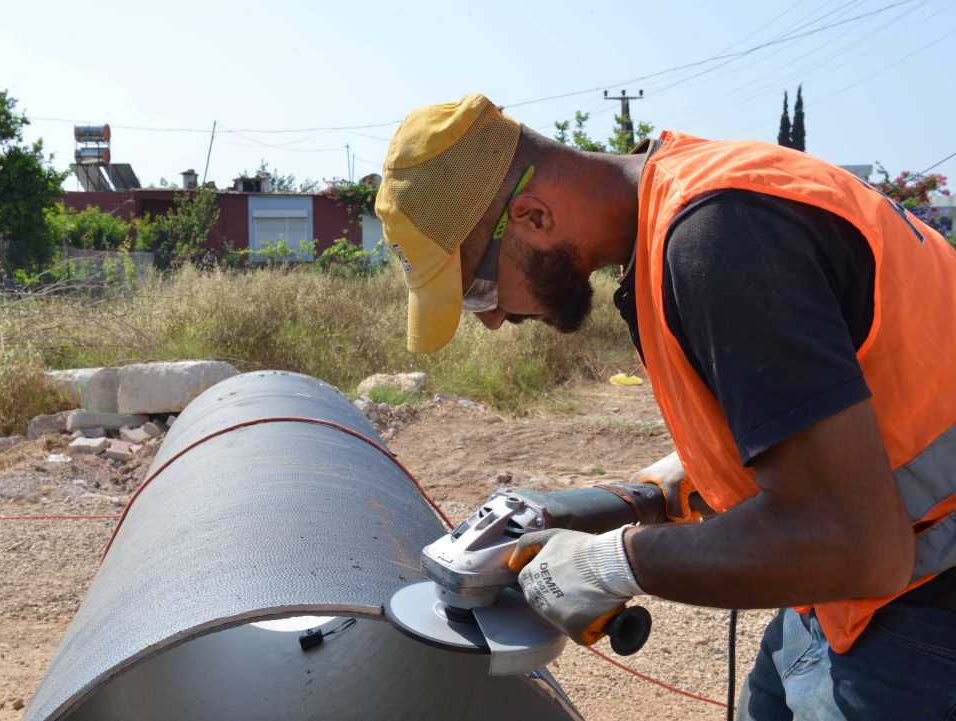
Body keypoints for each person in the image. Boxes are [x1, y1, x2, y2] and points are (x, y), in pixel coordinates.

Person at [375, 93, 956, 720]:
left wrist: (616, 561)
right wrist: (672, 480)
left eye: (479, 287)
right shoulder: (685, 204)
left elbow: (860, 545)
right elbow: (844, 391)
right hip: (849, 593)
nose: (490, 319)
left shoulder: (722, 236)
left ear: (532, 216)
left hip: (924, 608)